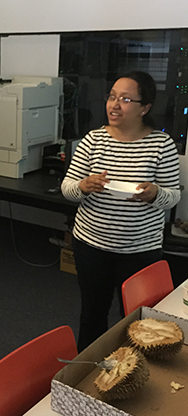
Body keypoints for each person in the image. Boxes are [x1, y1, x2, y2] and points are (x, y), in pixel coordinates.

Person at [61, 71, 180, 352]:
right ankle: (89, 372)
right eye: (112, 97)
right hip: (91, 246)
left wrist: (154, 193)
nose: (114, 105)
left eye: (125, 99)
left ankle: (133, 373)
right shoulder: (92, 140)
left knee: (138, 320)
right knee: (92, 314)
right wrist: (84, 185)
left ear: (145, 107)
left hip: (141, 249)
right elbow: (67, 188)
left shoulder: (161, 145)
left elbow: (173, 197)